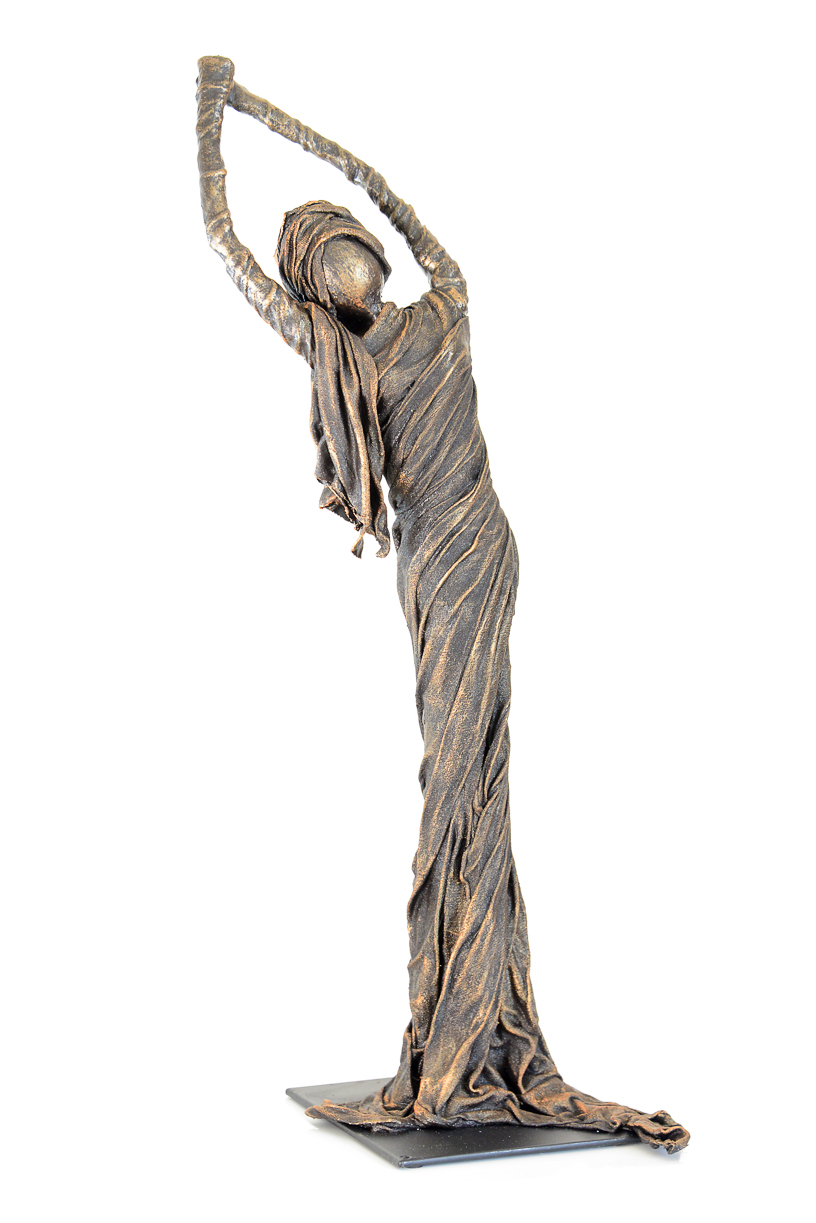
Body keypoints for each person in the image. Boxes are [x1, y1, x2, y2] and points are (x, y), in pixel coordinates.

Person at [195, 56, 689, 1152]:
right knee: (457, 769)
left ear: (368, 256)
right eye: (323, 263)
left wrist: (252, 117)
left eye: (346, 248)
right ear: (319, 289)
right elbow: (234, 247)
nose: (344, 268)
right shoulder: (360, 345)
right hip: (440, 557)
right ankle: (468, 1008)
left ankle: (472, 1026)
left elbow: (348, 216)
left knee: (468, 768)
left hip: (479, 550)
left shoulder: (435, 311)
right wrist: (219, 118)